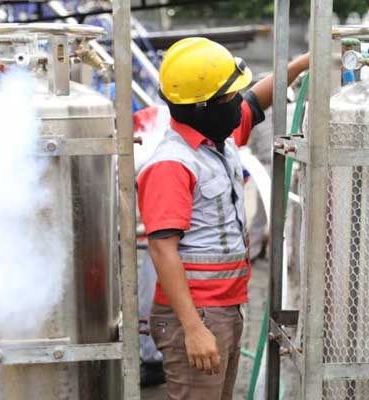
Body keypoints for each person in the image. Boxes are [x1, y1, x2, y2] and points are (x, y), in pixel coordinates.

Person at [136, 37, 309, 399]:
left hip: (224, 308)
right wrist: (193, 329)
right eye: (229, 97)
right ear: (202, 107)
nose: (237, 103)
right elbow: (163, 250)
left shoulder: (219, 139)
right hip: (196, 314)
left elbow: (256, 100)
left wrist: (303, 63)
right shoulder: (172, 164)